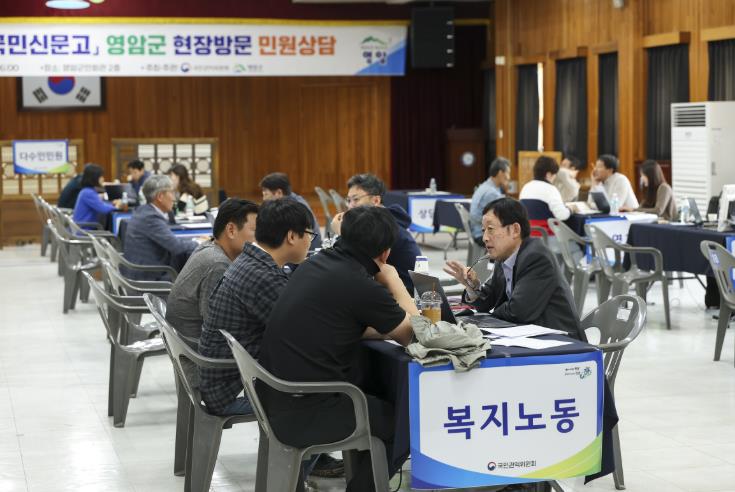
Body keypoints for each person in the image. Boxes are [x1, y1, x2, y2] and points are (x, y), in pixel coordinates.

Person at [258, 206, 419, 492]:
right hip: (305, 410)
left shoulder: (316, 264)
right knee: (407, 421)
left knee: (376, 398)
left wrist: (386, 326)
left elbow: (344, 323)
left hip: (275, 398)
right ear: (385, 253)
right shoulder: (359, 284)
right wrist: (394, 280)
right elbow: (416, 333)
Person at [197, 198, 342, 480]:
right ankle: (291, 479)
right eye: (309, 234)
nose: (311, 241)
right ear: (291, 236)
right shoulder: (262, 276)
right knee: (325, 397)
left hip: (226, 379)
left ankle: (299, 471)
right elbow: (310, 332)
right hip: (231, 391)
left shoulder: (252, 262)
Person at [443, 197, 582, 339]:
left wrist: (488, 317)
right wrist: (471, 286)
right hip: (529, 337)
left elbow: (518, 312)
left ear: (515, 230)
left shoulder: (536, 257)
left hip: (561, 342)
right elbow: (489, 300)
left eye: (490, 229)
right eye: (483, 230)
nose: (485, 238)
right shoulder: (504, 255)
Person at [165, 198, 258, 340]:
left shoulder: (209, 246)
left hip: (183, 341)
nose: (260, 238)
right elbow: (215, 327)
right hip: (194, 348)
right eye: (255, 231)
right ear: (231, 230)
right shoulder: (218, 264)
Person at [331, 173, 421, 294]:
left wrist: (342, 233)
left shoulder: (383, 228)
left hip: (406, 293)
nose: (350, 206)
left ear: (376, 200)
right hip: (384, 287)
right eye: (348, 200)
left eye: (356, 199)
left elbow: (351, 261)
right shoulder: (376, 223)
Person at [121, 175, 198, 280]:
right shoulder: (151, 218)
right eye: (171, 193)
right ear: (160, 197)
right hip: (148, 278)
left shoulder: (143, 211)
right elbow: (177, 247)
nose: (174, 198)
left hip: (140, 270)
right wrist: (199, 242)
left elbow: (171, 241)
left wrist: (193, 240)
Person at [260, 172, 321, 249]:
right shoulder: (291, 201)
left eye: (266, 194)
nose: (264, 199)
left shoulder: (294, 209)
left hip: (307, 252)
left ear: (279, 193)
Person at [469, 157, 511, 246]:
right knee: (516, 236)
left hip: (477, 231)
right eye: (507, 173)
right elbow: (505, 215)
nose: (509, 177)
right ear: (500, 173)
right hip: (482, 234)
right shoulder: (492, 193)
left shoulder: (484, 186)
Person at [519, 156, 571, 220]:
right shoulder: (551, 189)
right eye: (554, 175)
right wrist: (571, 209)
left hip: (528, 226)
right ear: (548, 174)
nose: (554, 178)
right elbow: (562, 215)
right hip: (545, 226)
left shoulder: (525, 187)